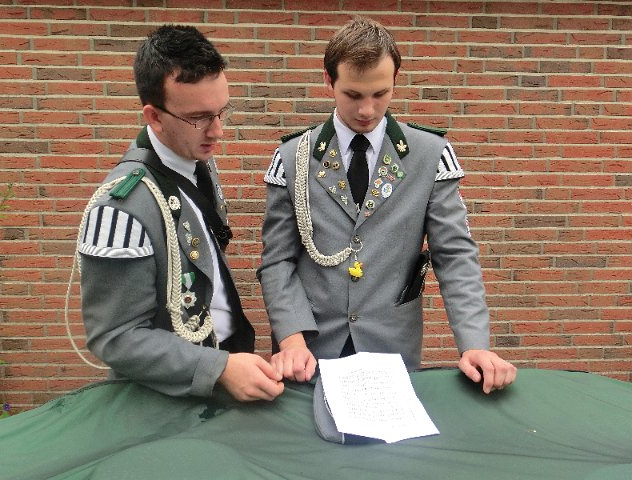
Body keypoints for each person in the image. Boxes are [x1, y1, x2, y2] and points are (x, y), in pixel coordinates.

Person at [258, 17, 516, 394]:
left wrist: (474, 344)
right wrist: (291, 339)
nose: (367, 109)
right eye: (353, 95)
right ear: (329, 81)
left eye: (380, 93)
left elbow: (455, 255)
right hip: (309, 353)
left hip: (391, 350)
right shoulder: (293, 157)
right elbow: (278, 261)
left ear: (396, 79)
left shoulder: (431, 155)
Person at [78, 25, 283, 402]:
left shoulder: (196, 161)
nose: (218, 131)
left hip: (224, 370)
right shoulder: (119, 208)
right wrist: (218, 368)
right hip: (170, 401)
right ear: (154, 117)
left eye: (222, 111)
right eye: (199, 117)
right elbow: (116, 337)